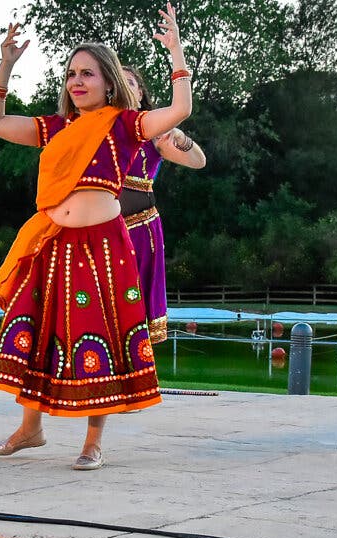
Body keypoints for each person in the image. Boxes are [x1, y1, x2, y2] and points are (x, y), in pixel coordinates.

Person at [0, 3, 192, 470]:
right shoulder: (56, 128)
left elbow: (180, 109)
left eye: (88, 74)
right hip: (53, 245)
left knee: (98, 337)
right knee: (37, 330)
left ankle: (93, 441)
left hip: (103, 248)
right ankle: (30, 428)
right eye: (72, 74)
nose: (77, 81)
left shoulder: (125, 124)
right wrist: (6, 66)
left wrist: (175, 51)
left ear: (109, 81)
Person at [120, 65, 206, 344]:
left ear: (140, 92)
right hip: (100, 230)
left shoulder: (153, 129)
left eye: (130, 82)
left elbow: (198, 161)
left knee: (136, 311)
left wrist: (181, 138)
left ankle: (136, 377)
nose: (123, 86)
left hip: (140, 231)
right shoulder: (94, 127)